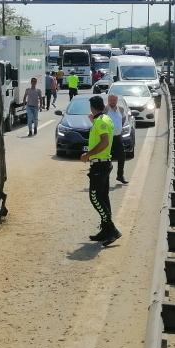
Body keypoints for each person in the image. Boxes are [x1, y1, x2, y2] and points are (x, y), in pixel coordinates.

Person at [79, 96, 121, 246]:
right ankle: (105, 230)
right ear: (103, 106)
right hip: (103, 164)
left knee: (95, 198)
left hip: (100, 165)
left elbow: (104, 142)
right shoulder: (104, 119)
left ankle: (112, 230)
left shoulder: (101, 122)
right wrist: (94, 119)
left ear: (91, 107)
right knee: (103, 197)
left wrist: (87, 155)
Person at [106, 93, 131, 184]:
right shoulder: (104, 110)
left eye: (114, 100)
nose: (112, 102)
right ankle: (106, 177)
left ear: (116, 101)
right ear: (108, 100)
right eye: (110, 100)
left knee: (122, 156)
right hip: (107, 138)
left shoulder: (121, 109)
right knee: (107, 157)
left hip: (118, 137)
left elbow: (123, 119)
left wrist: (118, 127)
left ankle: (120, 175)